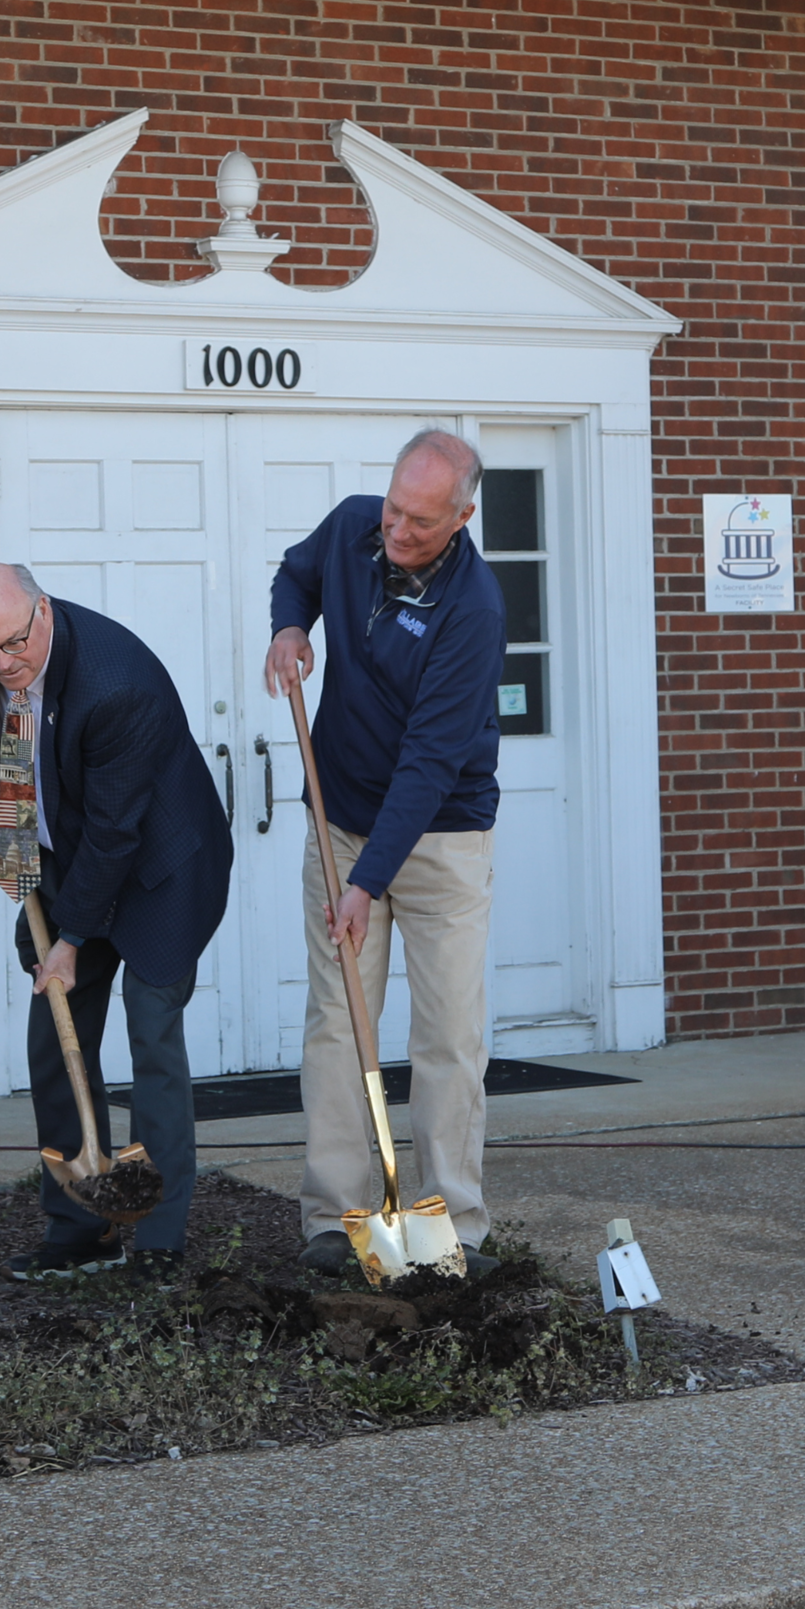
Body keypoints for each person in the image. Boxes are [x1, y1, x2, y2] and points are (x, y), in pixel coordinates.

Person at [266, 428, 505, 1274]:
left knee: (447, 1034)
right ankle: (335, 1218)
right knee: (340, 1025)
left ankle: (454, 1228)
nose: (396, 533)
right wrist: (291, 629)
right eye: (394, 510)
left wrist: (366, 882)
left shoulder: (472, 611)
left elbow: (429, 765)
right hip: (339, 823)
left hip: (440, 839)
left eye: (419, 523)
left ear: (462, 517)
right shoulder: (353, 527)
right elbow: (296, 572)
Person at [0, 563, 232, 1284]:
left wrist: (72, 938)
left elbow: (116, 831)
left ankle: (161, 1235)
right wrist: (24, 876)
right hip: (69, 863)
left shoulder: (117, 683)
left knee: (152, 1031)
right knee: (54, 1033)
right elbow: (8, 777)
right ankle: (82, 1225)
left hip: (158, 870)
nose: (0, 666)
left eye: (11, 647)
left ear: (42, 613)